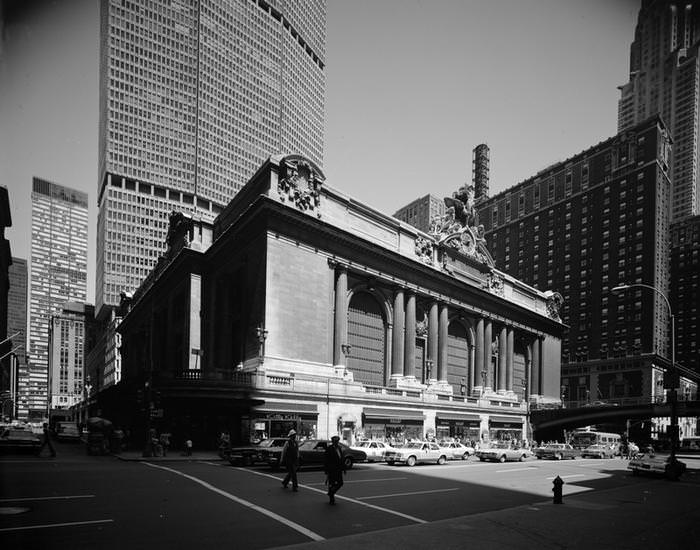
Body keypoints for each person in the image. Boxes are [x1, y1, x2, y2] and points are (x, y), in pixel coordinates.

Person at [324, 435, 346, 505]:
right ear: (333, 442)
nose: (336, 443)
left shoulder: (339, 448)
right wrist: (326, 470)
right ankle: (331, 499)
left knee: (340, 483)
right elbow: (326, 460)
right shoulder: (329, 449)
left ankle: (331, 492)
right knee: (331, 484)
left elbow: (341, 459)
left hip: (339, 469)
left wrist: (344, 468)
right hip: (332, 469)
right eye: (335, 441)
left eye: (337, 441)